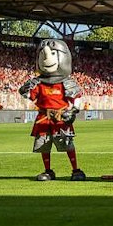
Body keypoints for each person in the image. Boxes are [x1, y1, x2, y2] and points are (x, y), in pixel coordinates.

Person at [21, 37, 85, 182]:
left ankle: (75, 170)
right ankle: (48, 171)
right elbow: (28, 94)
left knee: (67, 144)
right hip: (44, 118)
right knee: (44, 145)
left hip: (61, 118)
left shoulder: (66, 82)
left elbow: (77, 96)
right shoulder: (39, 83)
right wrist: (26, 87)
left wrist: (73, 110)